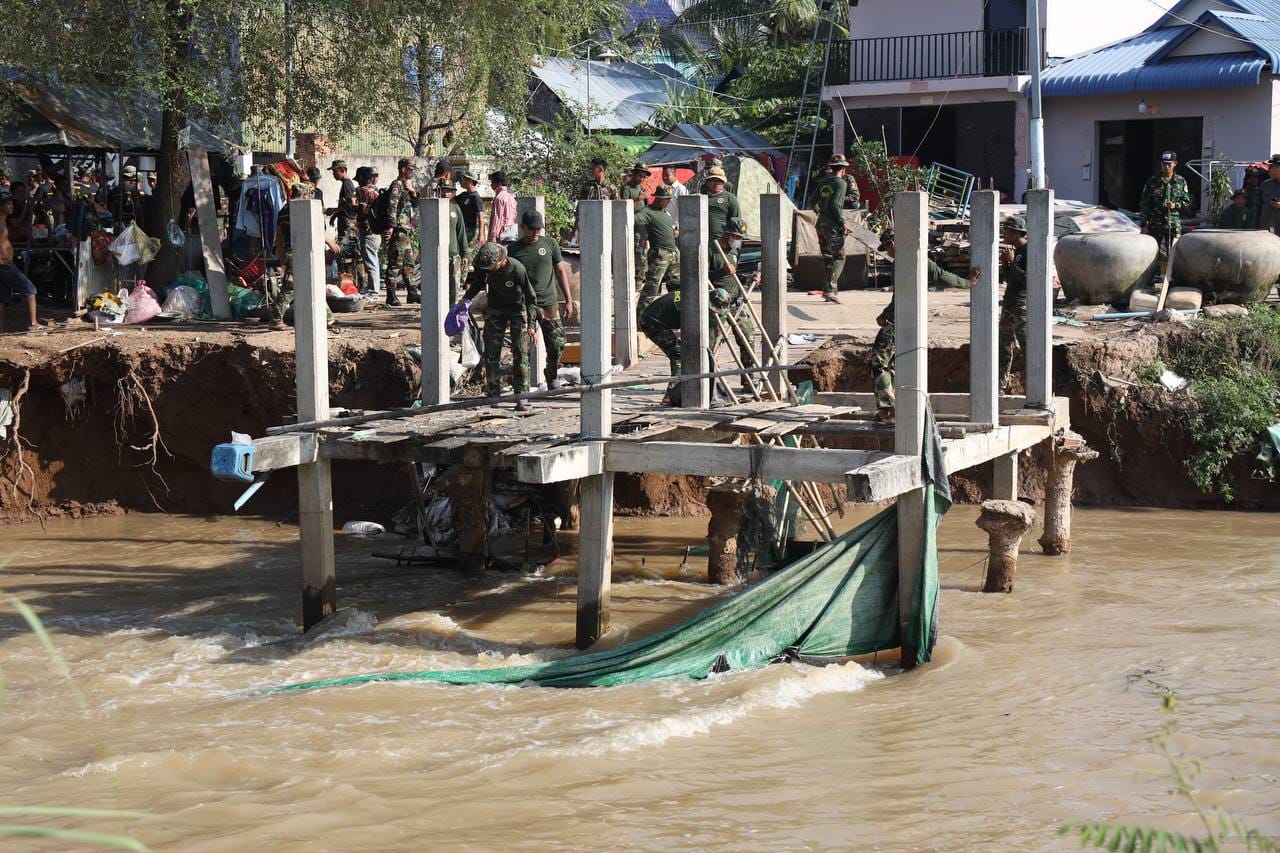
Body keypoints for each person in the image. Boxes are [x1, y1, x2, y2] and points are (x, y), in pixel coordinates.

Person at [869, 229, 981, 423]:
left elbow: (904, 295)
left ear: (893, 243)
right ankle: (893, 409)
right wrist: (967, 283)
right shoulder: (918, 259)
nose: (887, 253)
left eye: (887, 248)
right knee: (892, 365)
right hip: (909, 320)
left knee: (878, 363)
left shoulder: (903, 262)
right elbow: (941, 276)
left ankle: (888, 411)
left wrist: (886, 315)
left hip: (896, 321)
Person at [461, 242, 539, 409]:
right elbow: (478, 283)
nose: (488, 270)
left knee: (520, 351)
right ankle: (493, 394)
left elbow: (531, 297)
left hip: (518, 309)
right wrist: (466, 299)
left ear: (501, 261)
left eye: (491, 267)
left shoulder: (516, 269)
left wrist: (531, 324)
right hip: (496, 309)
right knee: (491, 352)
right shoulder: (483, 266)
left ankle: (521, 394)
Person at [506, 209, 574, 389]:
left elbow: (560, 271)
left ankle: (551, 374)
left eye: (539, 229)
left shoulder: (550, 244)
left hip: (548, 304)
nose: (536, 232)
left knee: (557, 344)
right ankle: (522, 389)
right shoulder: (513, 250)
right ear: (523, 227)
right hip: (523, 306)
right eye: (532, 229)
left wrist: (568, 299)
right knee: (522, 350)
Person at [640, 285, 732, 406]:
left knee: (685, 353)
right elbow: (689, 335)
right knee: (679, 355)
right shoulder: (692, 305)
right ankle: (670, 395)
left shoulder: (699, 294)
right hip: (652, 322)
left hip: (659, 318)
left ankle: (678, 390)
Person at [709, 217, 756, 377]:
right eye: (736, 237)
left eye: (740, 238)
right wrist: (721, 272)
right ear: (727, 234)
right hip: (717, 304)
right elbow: (701, 276)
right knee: (712, 343)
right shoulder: (711, 249)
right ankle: (709, 380)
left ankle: (748, 379)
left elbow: (734, 275)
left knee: (748, 338)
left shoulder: (735, 251)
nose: (738, 240)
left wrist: (748, 278)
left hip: (735, 302)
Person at [813, 153, 858, 304]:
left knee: (828, 259)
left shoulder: (823, 182)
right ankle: (829, 290)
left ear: (832, 168)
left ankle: (830, 292)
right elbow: (836, 206)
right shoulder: (841, 183)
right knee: (839, 258)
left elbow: (813, 201)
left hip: (821, 225)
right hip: (832, 226)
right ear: (843, 169)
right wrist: (842, 223)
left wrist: (821, 211)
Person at [634, 184, 680, 315]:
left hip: (673, 254)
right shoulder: (647, 212)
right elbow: (634, 219)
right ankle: (641, 317)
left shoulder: (665, 212)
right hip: (660, 255)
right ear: (658, 198)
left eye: (669, 199)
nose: (669, 202)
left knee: (677, 287)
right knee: (652, 288)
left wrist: (673, 233)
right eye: (666, 199)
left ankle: (675, 311)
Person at [997, 215, 1030, 392]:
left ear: (1016, 233)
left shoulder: (1028, 251)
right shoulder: (1016, 251)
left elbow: (1028, 280)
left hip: (1020, 308)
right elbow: (1010, 280)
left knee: (1027, 348)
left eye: (1007, 231)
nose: (1004, 234)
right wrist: (1006, 265)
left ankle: (1031, 388)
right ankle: (1001, 386)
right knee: (1004, 347)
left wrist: (1012, 263)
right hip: (1009, 306)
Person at [1139, 151, 1192, 250]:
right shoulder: (1152, 181)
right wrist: (1143, 225)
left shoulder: (1180, 181)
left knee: (1174, 254)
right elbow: (1144, 204)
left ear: (1175, 163)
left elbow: (1187, 203)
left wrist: (1175, 205)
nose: (1166, 166)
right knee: (1153, 252)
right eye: (1164, 164)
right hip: (1155, 225)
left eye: (1169, 164)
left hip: (1173, 226)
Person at [0, 193, 38, 331]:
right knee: (29, 289)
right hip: (4, 264)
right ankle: (33, 324)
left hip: (5, 263)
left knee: (1, 298)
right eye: (8, 204)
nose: (11, 206)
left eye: (12, 203)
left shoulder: (3, 221)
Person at [385, 157, 419, 305]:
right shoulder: (396, 185)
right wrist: (391, 227)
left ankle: (412, 293)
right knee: (395, 263)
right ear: (403, 169)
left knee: (408, 263)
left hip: (406, 230)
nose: (412, 172)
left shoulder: (406, 187)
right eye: (410, 169)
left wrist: (413, 192)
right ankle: (391, 295)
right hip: (398, 229)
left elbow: (415, 205)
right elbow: (392, 206)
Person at [435, 179, 470, 303]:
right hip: (436, 254)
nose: (446, 194)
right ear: (437, 191)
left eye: (449, 191)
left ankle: (452, 310)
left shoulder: (455, 208)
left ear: (453, 193)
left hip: (453, 254)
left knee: (454, 286)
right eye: (443, 190)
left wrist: (465, 254)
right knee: (437, 286)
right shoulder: (432, 208)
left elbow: (461, 232)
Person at [353, 166, 382, 294]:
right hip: (376, 230)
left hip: (367, 231)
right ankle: (372, 289)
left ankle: (373, 291)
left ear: (361, 178)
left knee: (370, 263)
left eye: (358, 179)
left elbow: (362, 210)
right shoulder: (376, 190)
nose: (358, 182)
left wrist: (352, 207)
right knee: (373, 261)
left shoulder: (362, 190)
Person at [703, 165, 740, 248]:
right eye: (712, 180)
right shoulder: (701, 197)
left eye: (719, 181)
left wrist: (733, 247)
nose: (716, 183)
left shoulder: (730, 198)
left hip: (723, 246)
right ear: (707, 181)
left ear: (724, 182)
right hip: (704, 245)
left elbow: (737, 223)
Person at [457, 172, 484, 251]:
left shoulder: (476, 197)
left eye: (464, 179)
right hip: (460, 229)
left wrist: (481, 234)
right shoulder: (463, 195)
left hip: (469, 230)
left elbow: (481, 218)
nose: (462, 181)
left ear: (470, 181)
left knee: (467, 251)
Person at [487, 170, 516, 244]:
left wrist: (493, 237)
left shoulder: (499, 198)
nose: (491, 185)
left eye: (492, 182)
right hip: (512, 234)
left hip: (501, 236)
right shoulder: (511, 196)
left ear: (499, 183)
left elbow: (497, 219)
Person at [1256, 155, 1280, 235]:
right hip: (1265, 230)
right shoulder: (1265, 185)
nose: (1268, 169)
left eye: (1270, 167)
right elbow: (1257, 206)